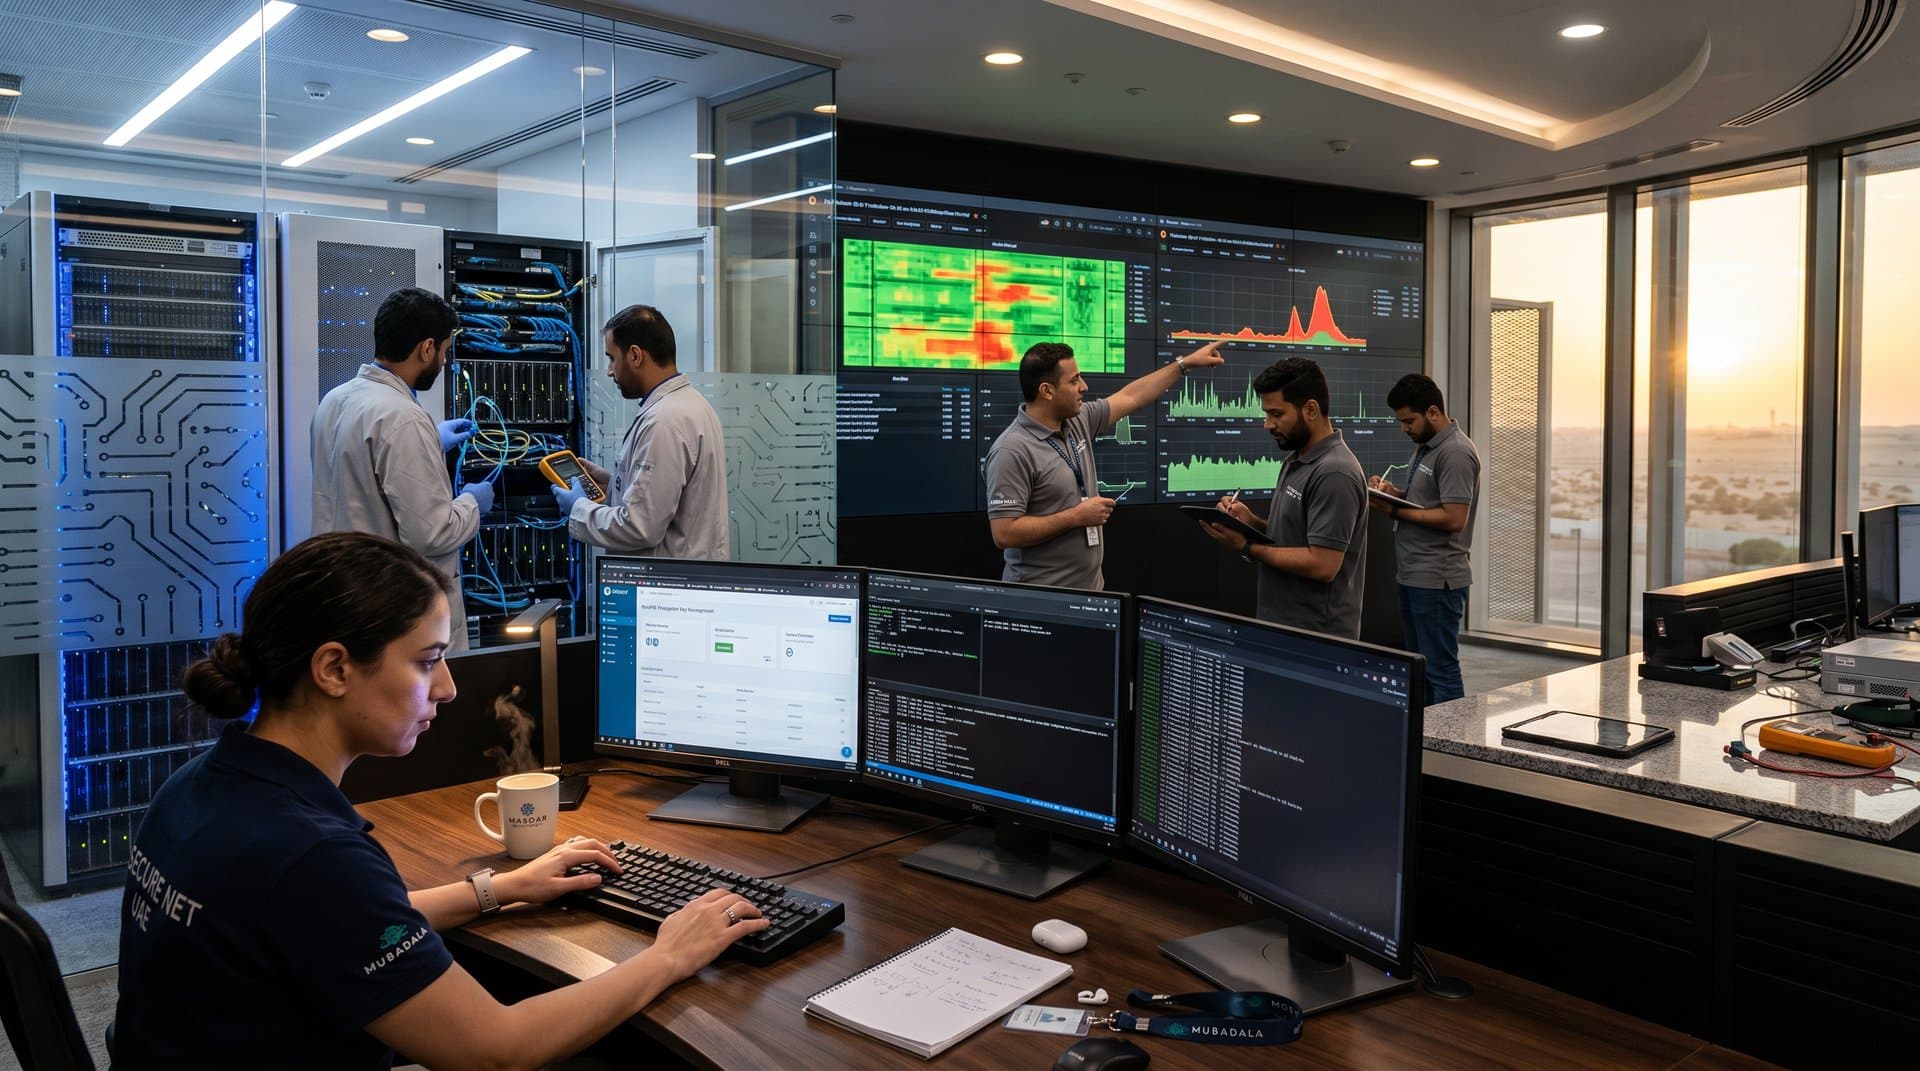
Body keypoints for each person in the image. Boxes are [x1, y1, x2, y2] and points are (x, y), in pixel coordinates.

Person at [112, 533, 767, 1070]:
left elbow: (336, 925)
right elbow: (497, 1047)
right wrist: (671, 954)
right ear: (335, 668)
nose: (449, 687)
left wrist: (501, 888)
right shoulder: (311, 855)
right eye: (428, 660)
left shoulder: (202, 786)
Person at [310, 287, 490, 651]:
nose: (443, 361)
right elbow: (430, 535)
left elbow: (359, 471)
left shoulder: (336, 399)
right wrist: (474, 502)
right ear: (426, 348)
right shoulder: (403, 418)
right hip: (392, 611)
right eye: (443, 350)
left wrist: (433, 441)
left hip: (344, 595)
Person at [985, 340, 1224, 588]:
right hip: (1044, 601)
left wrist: (1184, 364)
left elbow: (1131, 396)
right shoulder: (1012, 450)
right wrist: (1075, 516)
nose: (1084, 387)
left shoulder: (1078, 421)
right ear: (1047, 391)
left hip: (1090, 594)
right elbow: (1004, 532)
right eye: (1074, 380)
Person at [1197, 356, 1368, 637]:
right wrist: (1251, 522)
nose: (1268, 424)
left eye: (1276, 414)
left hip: (1316, 638)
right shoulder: (1296, 459)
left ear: (1311, 409)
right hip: (1283, 627)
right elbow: (1296, 537)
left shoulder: (1335, 472)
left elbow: (1323, 564)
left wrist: (1247, 546)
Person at [553, 305, 728, 559]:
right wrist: (617, 483)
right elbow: (669, 498)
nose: (610, 370)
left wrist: (578, 509)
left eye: (612, 358)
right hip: (686, 581)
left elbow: (640, 528)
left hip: (669, 588)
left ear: (635, 355)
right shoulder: (691, 404)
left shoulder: (664, 420)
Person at [1370, 373, 1479, 704]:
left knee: (1441, 672)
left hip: (1437, 580)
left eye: (1408, 421)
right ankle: (1428, 747)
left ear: (1433, 412)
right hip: (1416, 575)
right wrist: (1393, 494)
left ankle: (1451, 749)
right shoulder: (1426, 448)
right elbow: (1427, 502)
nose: (1405, 428)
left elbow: (1453, 517)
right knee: (1421, 668)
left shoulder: (1456, 452)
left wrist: (1394, 511)